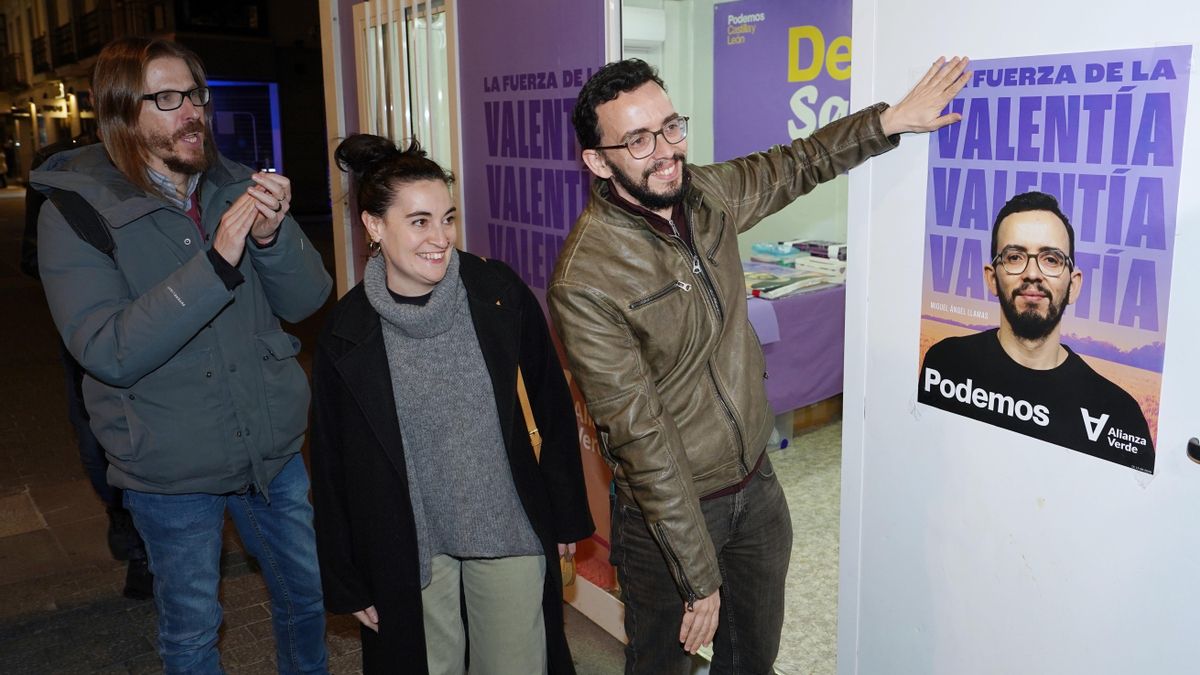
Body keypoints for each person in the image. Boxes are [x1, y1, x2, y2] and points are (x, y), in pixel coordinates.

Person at [547, 56, 969, 673]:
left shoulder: (708, 196)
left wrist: (891, 121)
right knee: (662, 666)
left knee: (752, 662)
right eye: (637, 140)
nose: (665, 150)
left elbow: (798, 163)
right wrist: (697, 572)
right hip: (671, 516)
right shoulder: (586, 279)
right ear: (597, 160)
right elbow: (640, 439)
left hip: (756, 488)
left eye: (670, 127)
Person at [32, 37, 331, 673]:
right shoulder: (76, 214)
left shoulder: (232, 184)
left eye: (195, 94)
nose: (191, 111)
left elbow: (308, 298)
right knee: (194, 630)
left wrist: (273, 237)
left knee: (306, 599)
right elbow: (107, 349)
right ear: (120, 112)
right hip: (169, 470)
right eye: (167, 99)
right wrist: (215, 263)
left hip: (271, 453)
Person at [311, 134, 594, 674]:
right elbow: (330, 463)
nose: (440, 238)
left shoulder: (498, 294)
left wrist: (562, 520)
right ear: (374, 226)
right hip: (408, 541)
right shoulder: (348, 332)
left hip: (506, 525)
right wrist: (345, 575)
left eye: (447, 218)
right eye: (419, 221)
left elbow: (552, 410)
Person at [918, 191, 1155, 473]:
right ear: (992, 278)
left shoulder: (1119, 413)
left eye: (1051, 259)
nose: (1032, 273)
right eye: (1015, 257)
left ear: (1074, 285)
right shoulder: (946, 362)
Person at [20, 131, 153, 600]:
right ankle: (131, 533)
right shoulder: (60, 165)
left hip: (166, 320)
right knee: (100, 441)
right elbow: (33, 255)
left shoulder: (166, 153)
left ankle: (154, 547)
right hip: (93, 327)